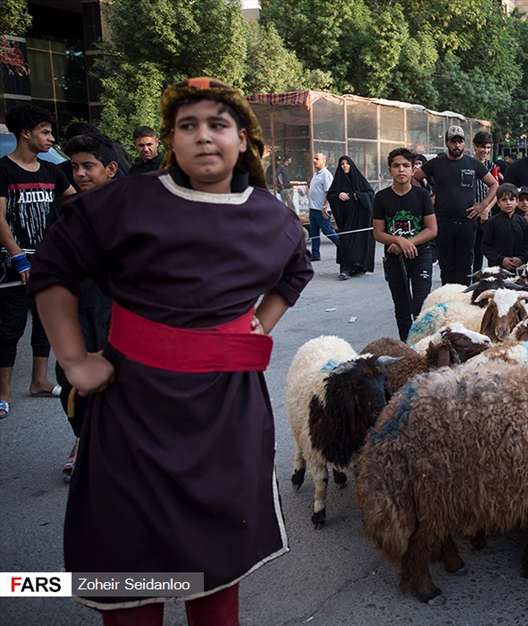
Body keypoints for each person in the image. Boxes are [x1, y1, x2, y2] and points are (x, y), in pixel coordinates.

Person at [30, 77, 313, 623]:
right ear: (171, 142)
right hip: (134, 403)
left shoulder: (270, 215)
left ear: (244, 140)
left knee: (216, 560)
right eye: (188, 126)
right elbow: (53, 270)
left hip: (228, 409)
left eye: (218, 125)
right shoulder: (125, 202)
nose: (203, 137)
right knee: (131, 560)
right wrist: (74, 360)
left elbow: (295, 272)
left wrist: (259, 323)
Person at [0, 103, 75, 420]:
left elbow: (76, 201)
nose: (50, 138)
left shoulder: (52, 171)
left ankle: (40, 380)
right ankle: (2, 393)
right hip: (12, 263)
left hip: (48, 261)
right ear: (26, 133)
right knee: (10, 326)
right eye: (44, 132)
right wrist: (19, 258)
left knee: (46, 322)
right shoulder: (3, 169)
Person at [56, 132, 123, 481]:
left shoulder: (129, 212)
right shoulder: (69, 211)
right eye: (75, 167)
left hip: (117, 312)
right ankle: (83, 438)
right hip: (76, 308)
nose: (80, 174)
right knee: (70, 380)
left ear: (110, 169)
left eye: (88, 166)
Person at [412, 125, 496, 285]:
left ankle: (462, 301)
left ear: (464, 143)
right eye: (453, 141)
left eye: (460, 141)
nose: (457, 145)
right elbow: (415, 178)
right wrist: (427, 198)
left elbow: (494, 184)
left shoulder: (473, 164)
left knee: (465, 267)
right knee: (446, 266)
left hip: (467, 223)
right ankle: (447, 300)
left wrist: (482, 205)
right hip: (443, 223)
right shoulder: (436, 163)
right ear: (447, 142)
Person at [373, 148, 438, 341]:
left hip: (421, 256)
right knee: (402, 308)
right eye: (396, 165)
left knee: (420, 306)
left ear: (412, 170)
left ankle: (422, 347)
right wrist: (397, 241)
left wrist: (407, 242)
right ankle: (406, 347)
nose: (401, 170)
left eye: (406, 166)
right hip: (395, 258)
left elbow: (432, 229)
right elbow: (378, 232)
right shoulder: (381, 197)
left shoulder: (422, 196)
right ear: (390, 169)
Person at [327, 155, 375, 280]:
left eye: (347, 163)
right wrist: (338, 195)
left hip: (360, 219)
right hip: (346, 219)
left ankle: (358, 266)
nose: (344, 166)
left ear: (351, 165)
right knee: (346, 242)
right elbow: (330, 195)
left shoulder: (359, 179)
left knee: (359, 243)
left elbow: (370, 194)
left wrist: (358, 195)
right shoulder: (338, 181)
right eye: (342, 164)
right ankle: (345, 269)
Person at [472, 131, 501, 274]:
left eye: (488, 148)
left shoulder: (492, 166)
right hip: (470, 212)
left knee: (484, 249)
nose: (485, 151)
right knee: (470, 251)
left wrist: (486, 208)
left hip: (486, 214)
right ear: (475, 147)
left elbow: (497, 190)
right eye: (482, 147)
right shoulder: (467, 163)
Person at [482, 183, 528, 270]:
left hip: (518, 268)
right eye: (504, 200)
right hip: (497, 269)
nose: (508, 203)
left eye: (511, 199)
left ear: (517, 202)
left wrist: (521, 259)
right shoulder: (492, 222)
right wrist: (501, 260)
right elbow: (485, 247)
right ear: (498, 203)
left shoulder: (522, 222)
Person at [307, 152, 338, 262]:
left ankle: (343, 247)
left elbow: (328, 192)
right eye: (314, 158)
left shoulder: (326, 174)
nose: (314, 161)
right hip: (313, 209)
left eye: (317, 159)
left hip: (322, 210)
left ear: (323, 160)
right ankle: (315, 255)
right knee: (314, 232)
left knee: (327, 231)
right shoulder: (316, 174)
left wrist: (325, 206)